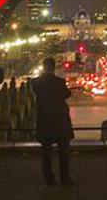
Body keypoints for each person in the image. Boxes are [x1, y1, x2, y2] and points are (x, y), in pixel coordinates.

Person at [32, 57, 75, 186]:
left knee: (46, 151)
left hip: (45, 118)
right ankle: (65, 177)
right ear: (54, 67)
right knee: (64, 151)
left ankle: (49, 178)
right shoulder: (59, 82)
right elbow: (67, 94)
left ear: (43, 67)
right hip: (59, 118)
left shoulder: (36, 83)